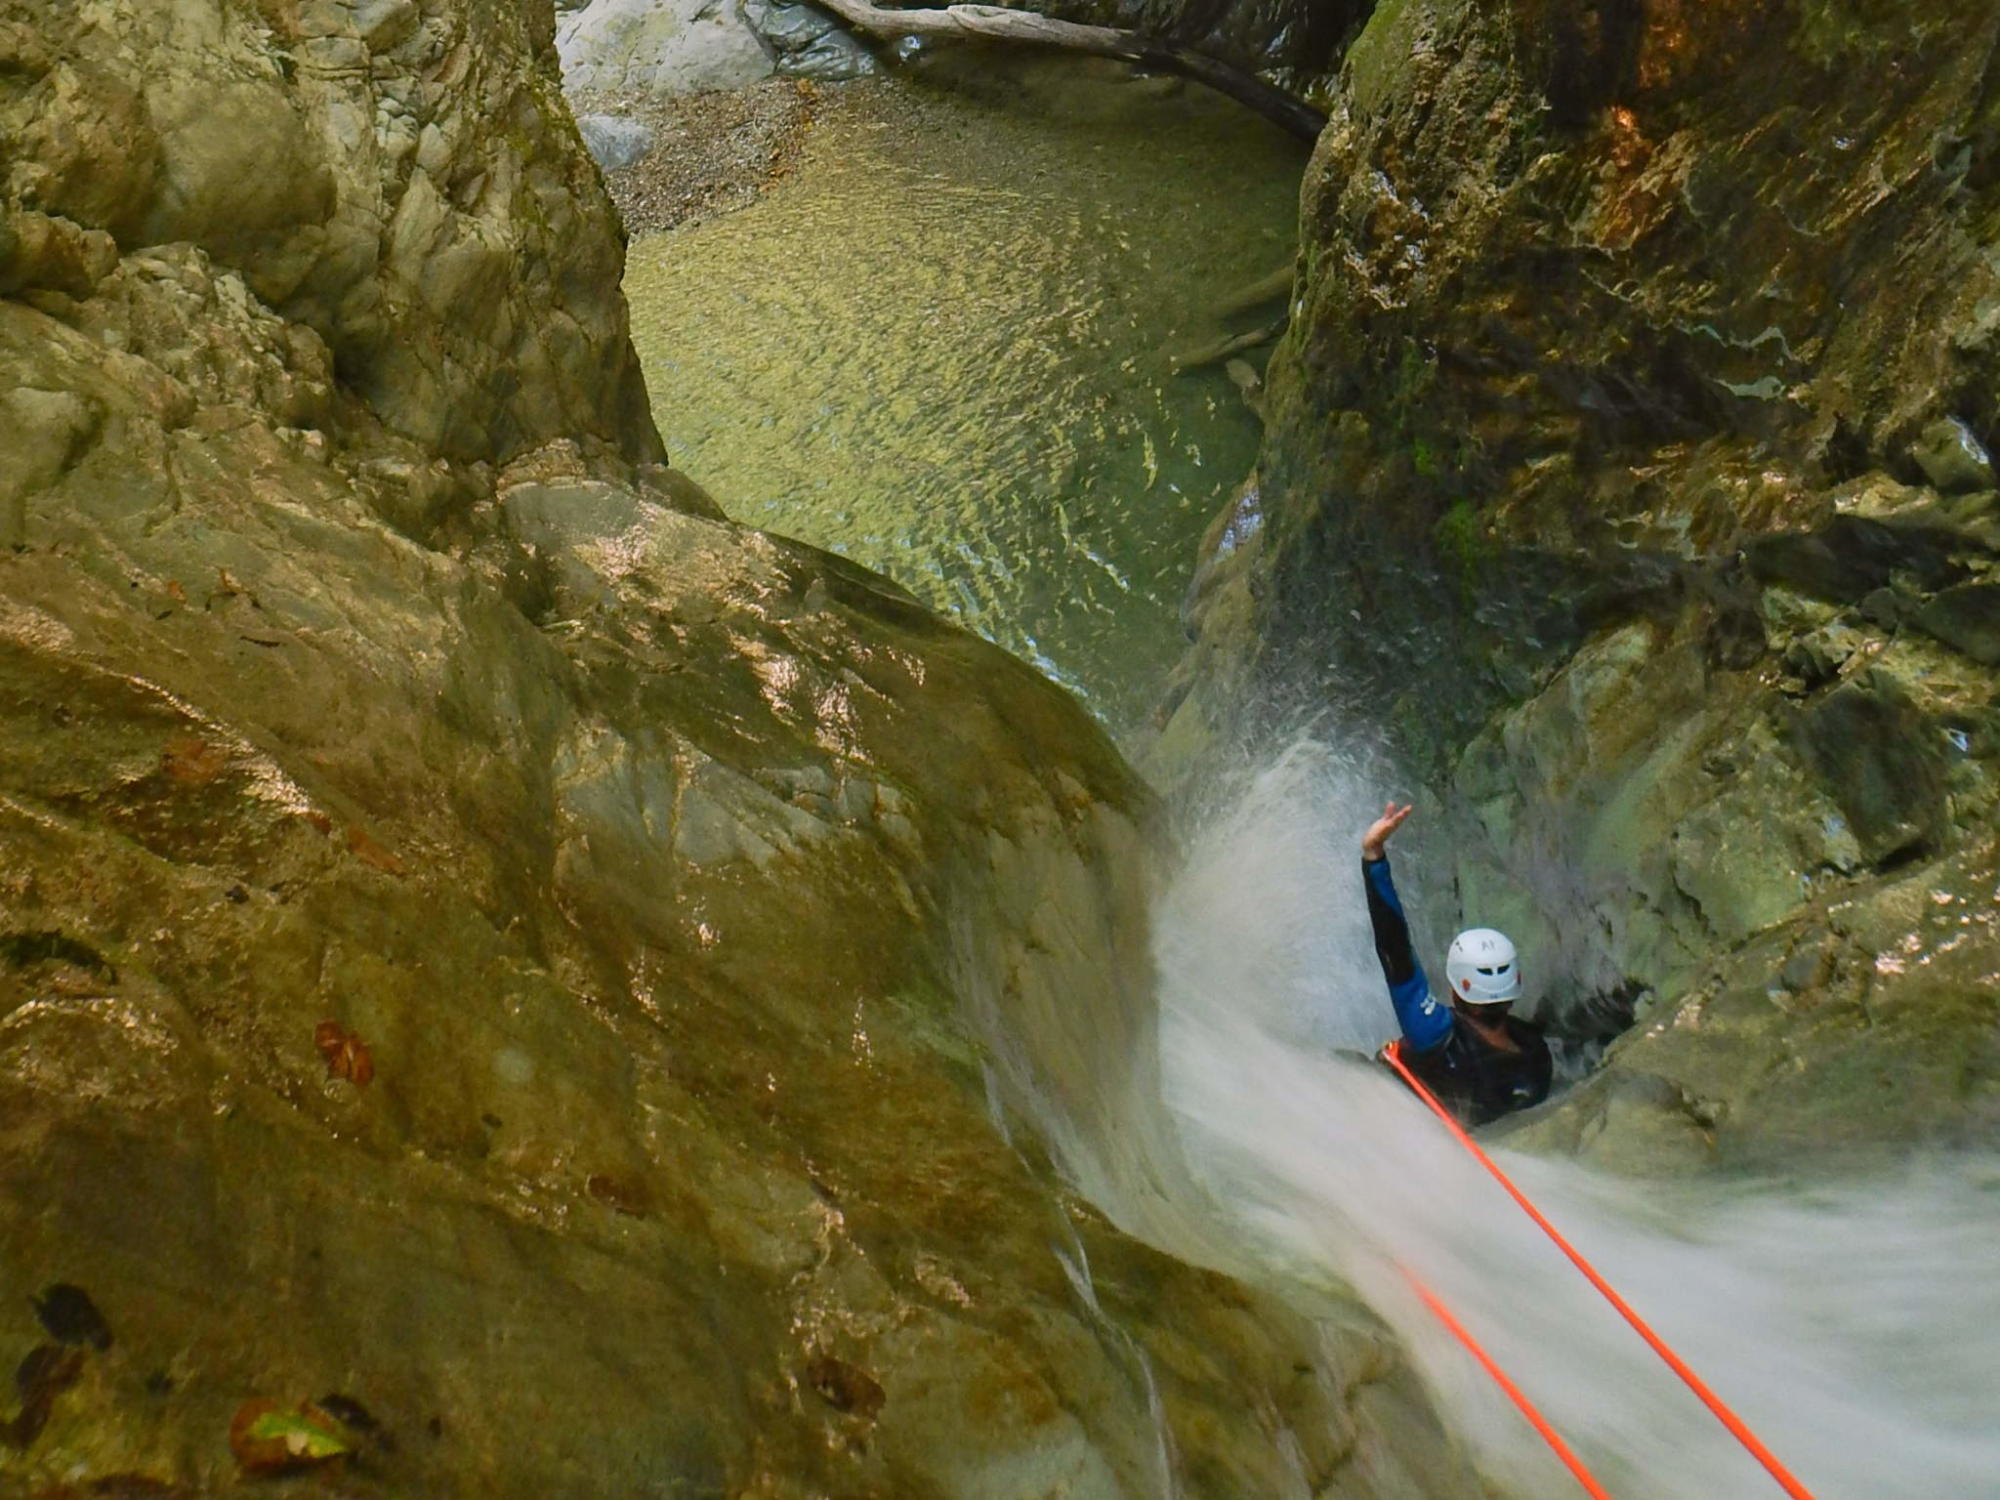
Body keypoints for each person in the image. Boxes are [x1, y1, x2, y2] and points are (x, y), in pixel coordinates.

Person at [1361, 800, 1551, 1127]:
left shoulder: (1436, 1036)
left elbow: (1395, 950)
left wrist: (1373, 856)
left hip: (1399, 1125)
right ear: (1514, 986)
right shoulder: (1537, 1056)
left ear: (1456, 990)